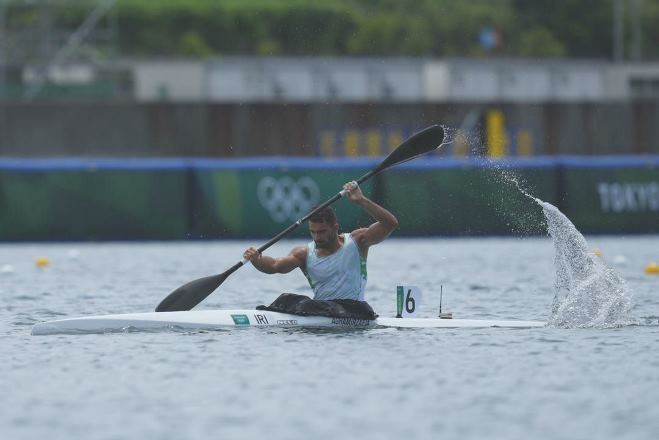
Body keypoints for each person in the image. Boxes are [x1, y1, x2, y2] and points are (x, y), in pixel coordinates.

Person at [243, 181, 398, 318]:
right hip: (321, 311)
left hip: (355, 311)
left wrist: (361, 200)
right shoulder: (304, 254)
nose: (317, 237)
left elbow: (390, 224)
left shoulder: (358, 241)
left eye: (322, 231)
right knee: (286, 299)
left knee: (307, 305)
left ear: (335, 228)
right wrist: (257, 259)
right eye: (313, 232)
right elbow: (275, 265)